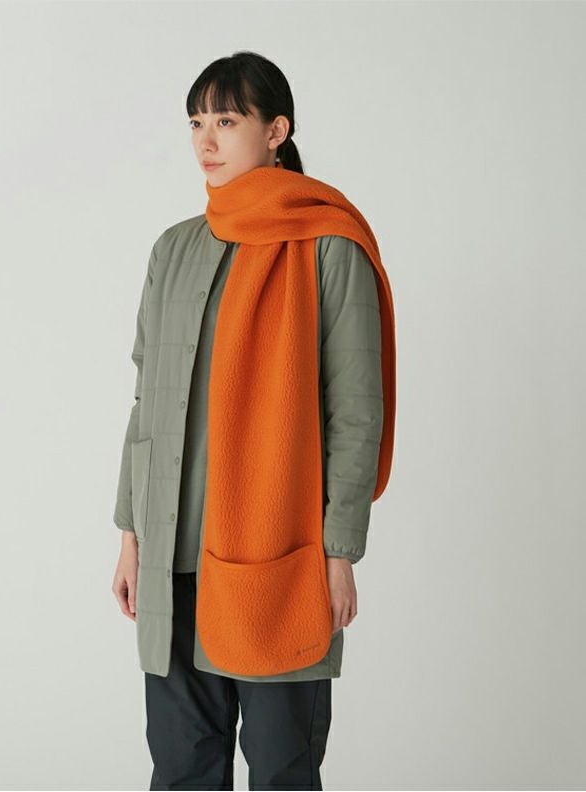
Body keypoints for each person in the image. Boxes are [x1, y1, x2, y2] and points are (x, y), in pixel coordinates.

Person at [111, 50, 396, 791]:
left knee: (282, 769)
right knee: (182, 769)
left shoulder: (328, 244)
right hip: (175, 559)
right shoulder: (174, 249)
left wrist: (340, 551)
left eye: (227, 121)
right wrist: (131, 534)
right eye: (196, 123)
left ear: (276, 130)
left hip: (279, 560)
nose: (205, 141)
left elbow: (355, 411)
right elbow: (147, 402)